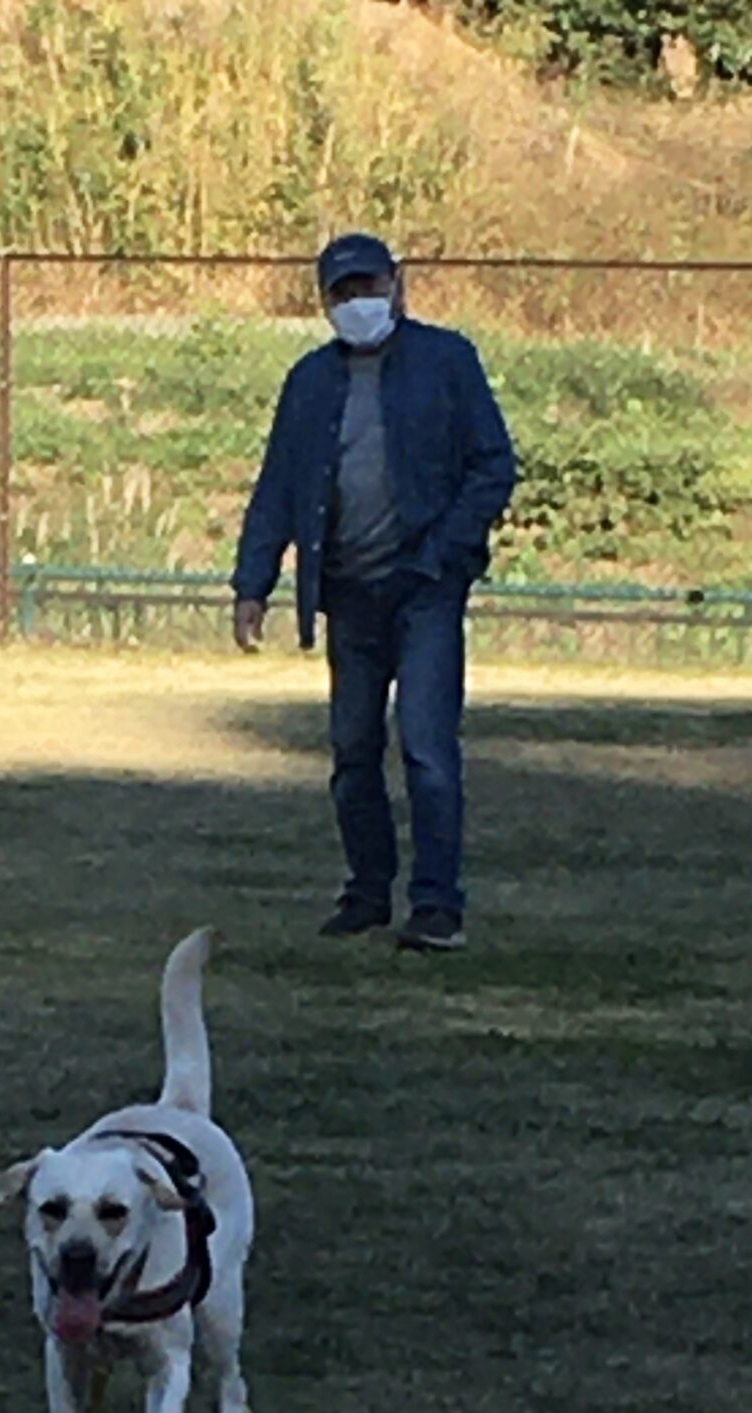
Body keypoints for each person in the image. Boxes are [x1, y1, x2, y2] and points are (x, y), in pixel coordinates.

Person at [232, 231, 516, 951]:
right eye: (344, 292)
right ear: (324, 302)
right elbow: (278, 487)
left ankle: (437, 906)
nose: (358, 302)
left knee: (426, 748)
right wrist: (252, 583)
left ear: (398, 284)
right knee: (353, 751)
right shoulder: (308, 382)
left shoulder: (448, 361)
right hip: (348, 594)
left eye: (369, 286)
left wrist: (445, 552)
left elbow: (493, 465)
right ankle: (366, 893)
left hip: (426, 591)